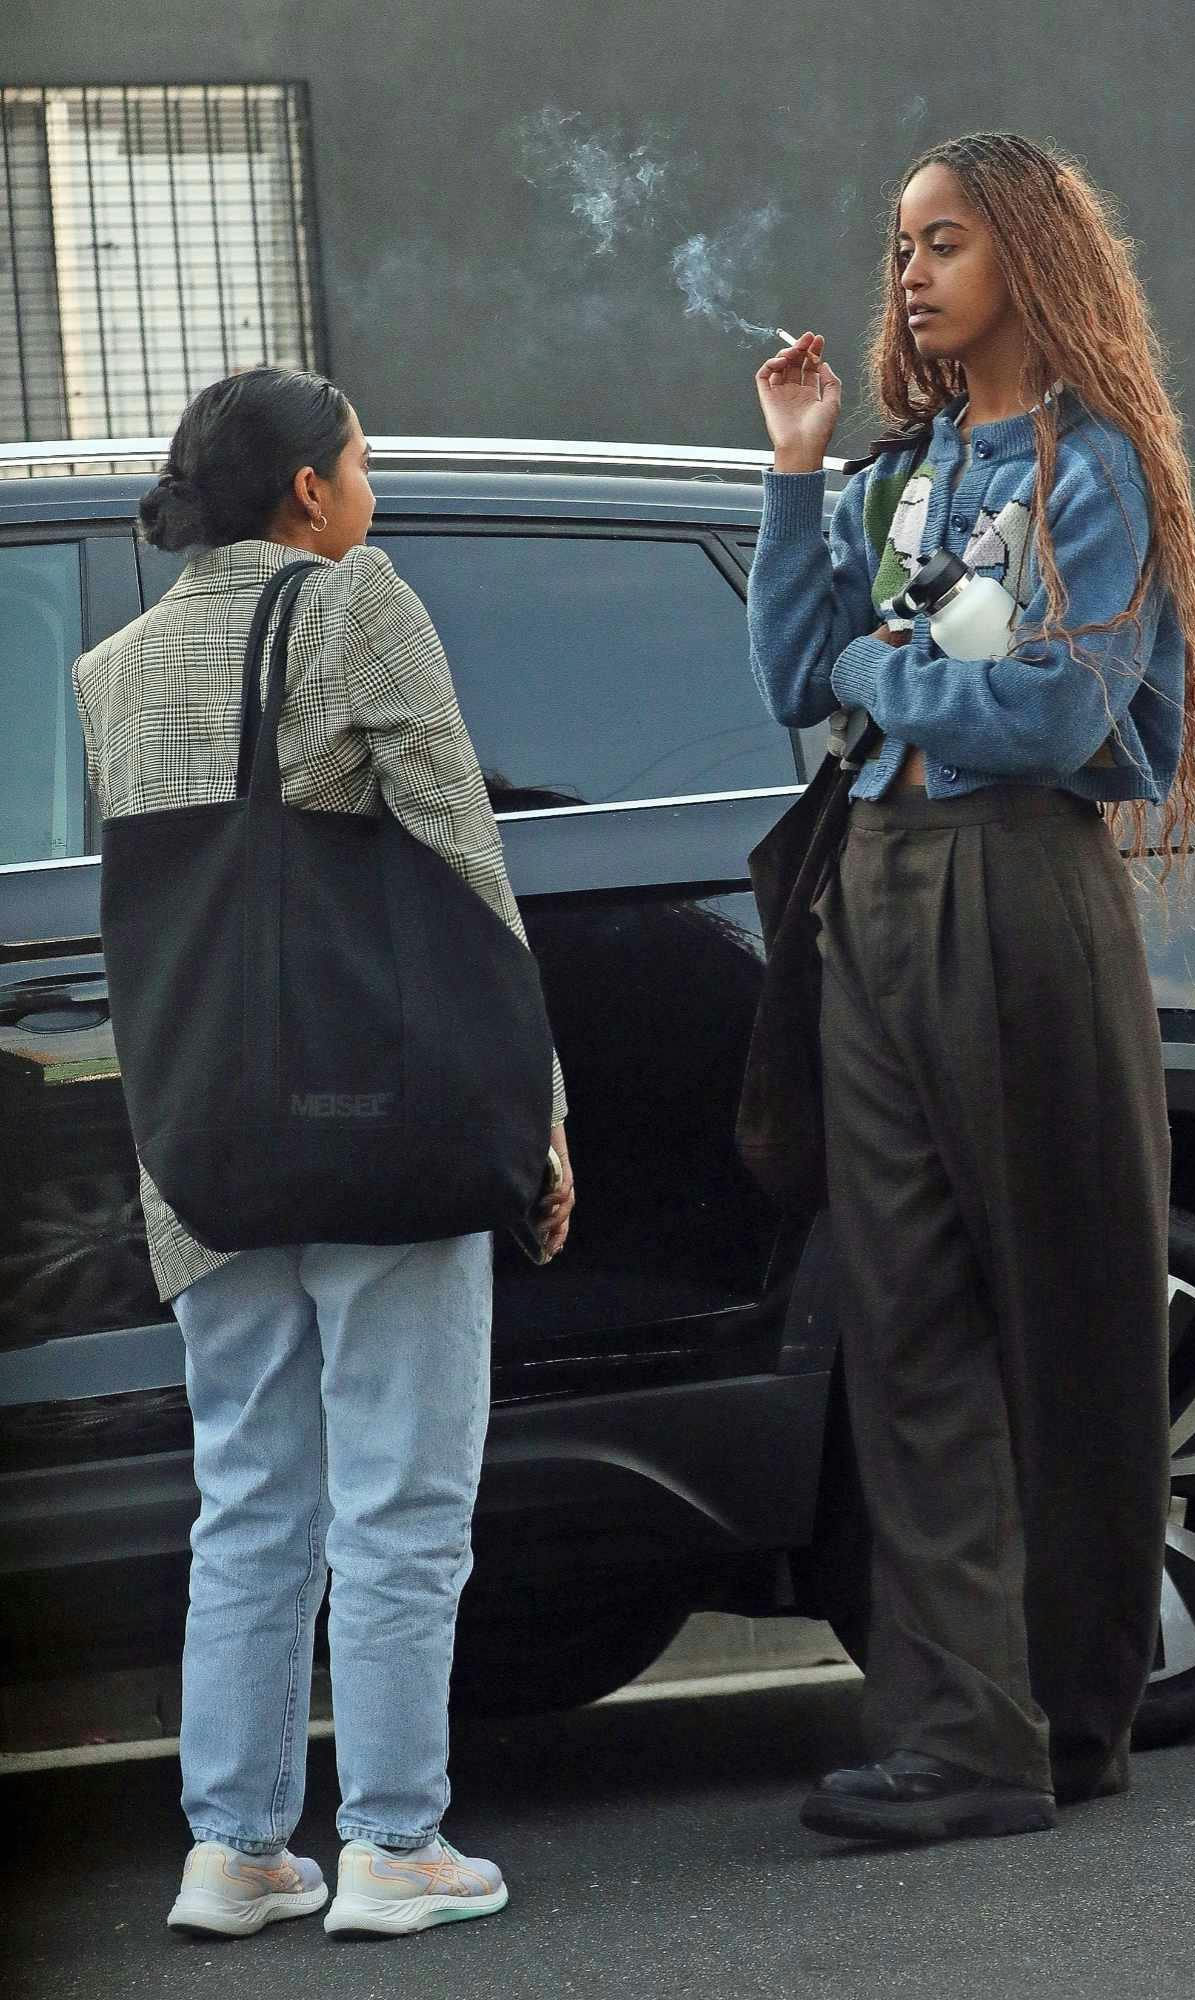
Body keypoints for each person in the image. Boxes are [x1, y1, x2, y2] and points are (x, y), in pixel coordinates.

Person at [748, 132, 1195, 1845]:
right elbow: (783, 677)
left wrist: (878, 671)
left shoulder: (1090, 470)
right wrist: (791, 473)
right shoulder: (891, 478)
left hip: (1020, 886)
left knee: (1072, 1307)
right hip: (872, 896)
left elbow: (1053, 718)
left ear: (1024, 259)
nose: (906, 271)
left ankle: (1074, 1712)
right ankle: (962, 1742)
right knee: (903, 1326)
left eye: (942, 239)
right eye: (896, 243)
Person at [71, 367, 574, 1936]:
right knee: (401, 1493)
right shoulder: (358, 607)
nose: (373, 493)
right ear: (308, 491)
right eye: (360, 464)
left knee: (252, 1492)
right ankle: (394, 1841)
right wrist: (535, 1109)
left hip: (199, 1132)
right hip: (375, 1120)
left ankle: (232, 1848)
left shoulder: (114, 670)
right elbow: (457, 856)